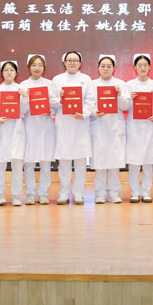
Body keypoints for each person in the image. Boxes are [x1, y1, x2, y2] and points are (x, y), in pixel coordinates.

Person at [52, 51, 95, 205]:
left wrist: (83, 114)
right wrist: (60, 99)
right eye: (69, 60)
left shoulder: (86, 79)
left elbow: (91, 101)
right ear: (64, 63)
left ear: (80, 63)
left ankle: (78, 193)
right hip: (64, 124)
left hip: (80, 124)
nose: (72, 63)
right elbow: (51, 101)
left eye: (75, 60)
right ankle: (64, 193)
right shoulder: (57, 80)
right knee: (64, 161)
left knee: (80, 161)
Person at [19, 54, 59, 205]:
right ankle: (30, 193)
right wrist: (25, 97)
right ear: (29, 67)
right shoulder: (23, 84)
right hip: (29, 125)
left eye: (40, 65)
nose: (37, 68)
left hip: (46, 125)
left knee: (45, 162)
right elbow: (21, 109)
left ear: (44, 67)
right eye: (34, 65)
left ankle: (43, 193)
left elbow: (55, 104)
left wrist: (49, 110)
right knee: (29, 162)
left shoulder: (50, 84)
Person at [90, 55, 130, 204]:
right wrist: (95, 112)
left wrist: (118, 95)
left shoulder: (121, 84)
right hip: (99, 126)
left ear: (114, 68)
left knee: (114, 163)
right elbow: (88, 104)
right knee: (99, 164)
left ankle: (114, 193)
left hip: (115, 128)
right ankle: (100, 193)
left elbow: (126, 106)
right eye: (103, 66)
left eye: (109, 66)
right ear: (98, 68)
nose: (106, 69)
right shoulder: (92, 84)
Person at [125, 54, 153, 203]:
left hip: (149, 126)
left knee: (148, 161)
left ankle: (146, 192)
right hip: (134, 127)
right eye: (139, 65)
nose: (142, 68)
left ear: (149, 67)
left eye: (145, 65)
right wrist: (129, 98)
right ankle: (134, 192)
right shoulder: (129, 85)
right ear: (135, 67)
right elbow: (124, 106)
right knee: (134, 162)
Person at [0, 60, 27, 206]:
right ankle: (0, 195)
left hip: (17, 130)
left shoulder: (21, 88)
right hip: (2, 129)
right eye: (6, 70)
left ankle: (16, 195)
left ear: (16, 73)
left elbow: (25, 110)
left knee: (17, 165)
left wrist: (25, 96)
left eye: (12, 70)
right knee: (0, 165)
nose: (9, 72)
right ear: (2, 73)